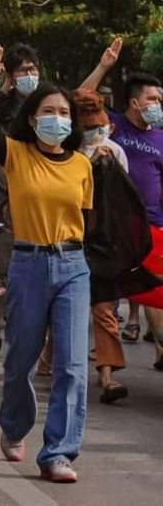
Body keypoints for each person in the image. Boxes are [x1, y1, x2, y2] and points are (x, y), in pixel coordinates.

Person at [0, 47, 93, 483]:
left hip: (73, 265)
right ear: (31, 117)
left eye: (63, 112)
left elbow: (88, 219)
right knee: (21, 357)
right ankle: (14, 425)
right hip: (28, 263)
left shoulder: (82, 164)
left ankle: (59, 452)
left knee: (72, 364)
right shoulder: (16, 154)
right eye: (48, 111)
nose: (56, 118)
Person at [80, 41, 163, 359]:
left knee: (152, 287)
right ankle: (102, 352)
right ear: (133, 102)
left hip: (152, 223)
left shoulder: (160, 137)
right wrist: (103, 67)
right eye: (152, 99)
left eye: (159, 100)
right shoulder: (112, 128)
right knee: (108, 288)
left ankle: (158, 348)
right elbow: (82, 99)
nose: (157, 105)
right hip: (109, 224)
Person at [73, 88, 129, 403]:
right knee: (66, 310)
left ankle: (107, 375)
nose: (97, 131)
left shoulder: (115, 152)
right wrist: (90, 165)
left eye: (100, 124)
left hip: (105, 240)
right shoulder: (67, 153)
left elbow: (125, 199)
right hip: (71, 239)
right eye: (90, 125)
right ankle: (51, 361)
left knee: (105, 308)